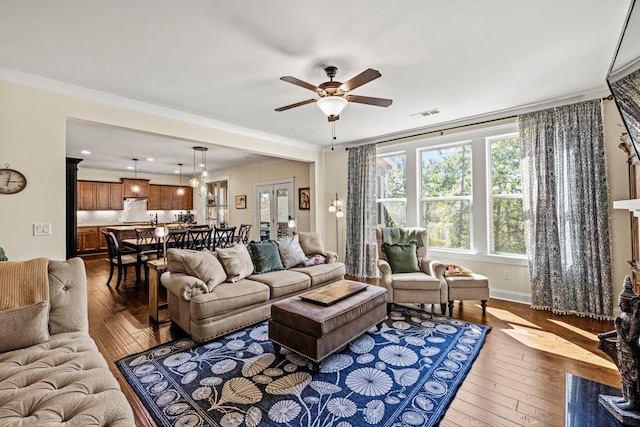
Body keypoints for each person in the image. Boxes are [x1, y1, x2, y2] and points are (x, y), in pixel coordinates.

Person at [598, 275, 640, 411]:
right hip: (621, 350)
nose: (620, 304)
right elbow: (617, 331)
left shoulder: (633, 320)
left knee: (631, 378)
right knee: (623, 374)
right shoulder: (623, 317)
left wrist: (619, 329)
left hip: (630, 353)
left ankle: (632, 402)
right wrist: (605, 335)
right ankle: (625, 397)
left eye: (621, 302)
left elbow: (630, 339)